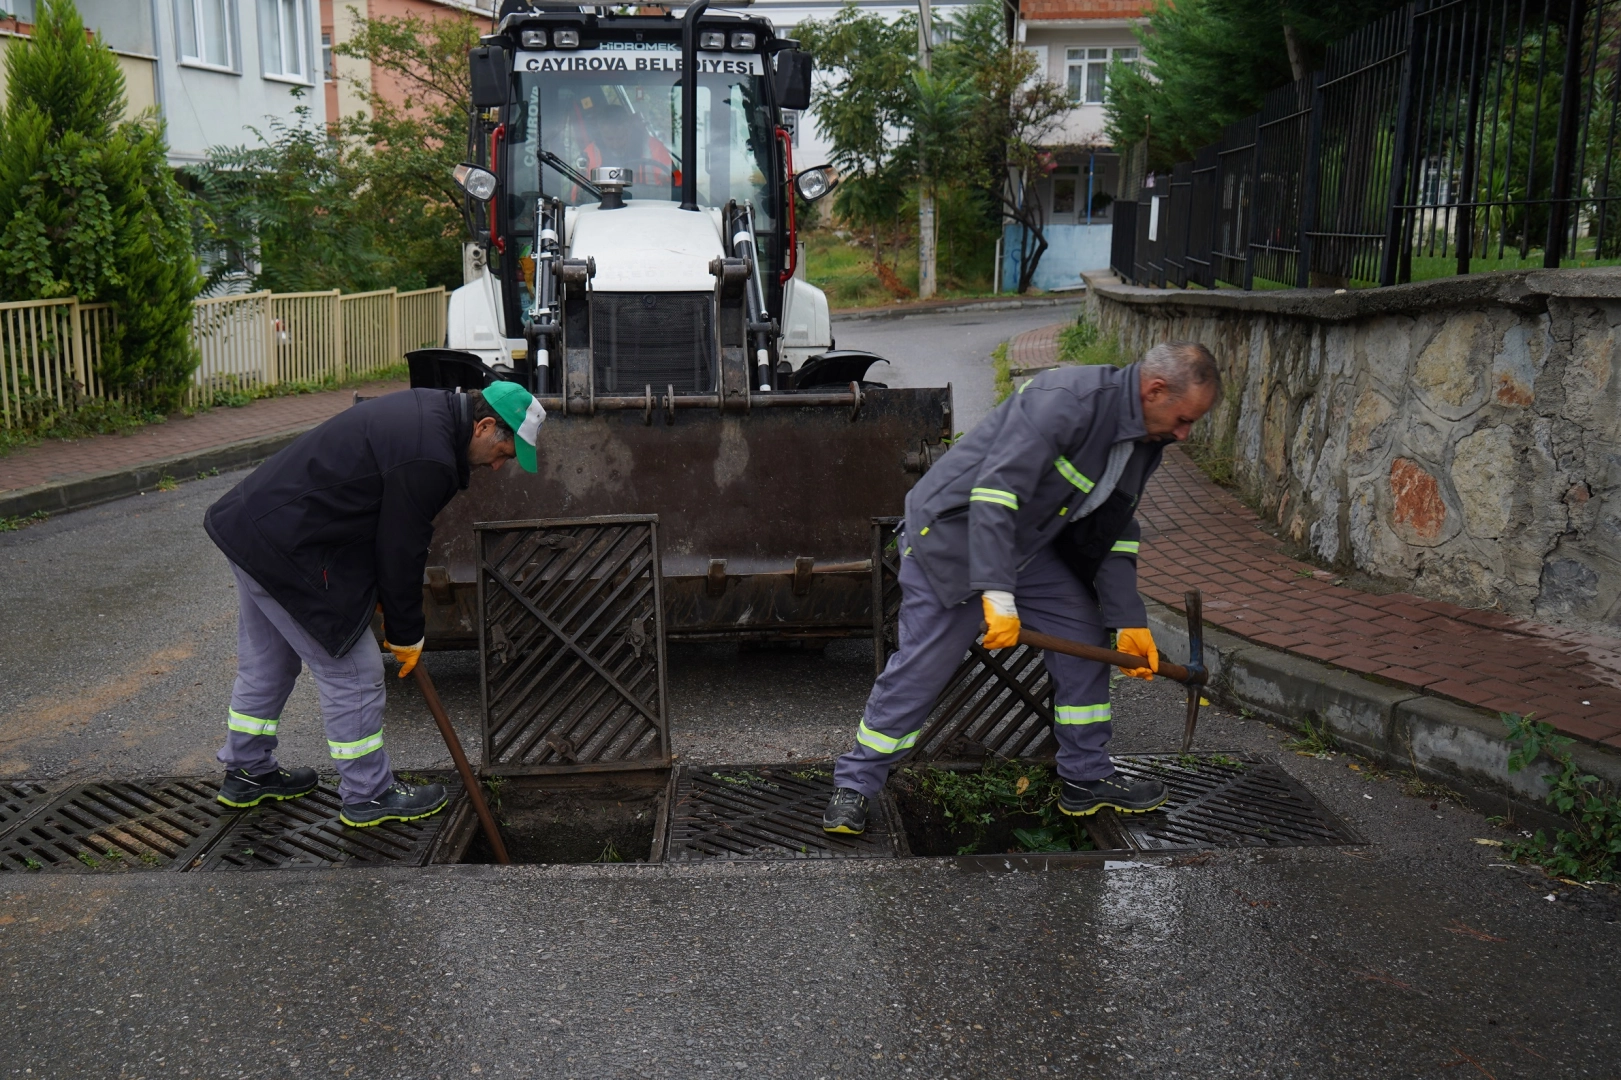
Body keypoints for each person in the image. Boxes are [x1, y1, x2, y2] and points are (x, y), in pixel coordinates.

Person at [823, 342, 1221, 834]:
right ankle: (856, 783)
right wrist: (997, 594)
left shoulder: (1146, 438)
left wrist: (1128, 617)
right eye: (1184, 419)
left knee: (1084, 637)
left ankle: (1085, 777)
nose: (1184, 433)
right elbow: (994, 494)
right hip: (953, 541)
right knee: (923, 669)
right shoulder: (1066, 400)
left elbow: (1114, 526)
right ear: (1155, 389)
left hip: (1026, 547)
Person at [204, 382, 547, 826]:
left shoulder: (431, 412)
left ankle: (247, 771)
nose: (501, 466)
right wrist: (405, 633)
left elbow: (371, 510)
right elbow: (399, 548)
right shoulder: (431, 457)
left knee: (269, 662)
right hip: (286, 545)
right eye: (504, 451)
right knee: (355, 671)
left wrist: (381, 597)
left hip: (251, 525)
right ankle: (368, 794)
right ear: (483, 426)